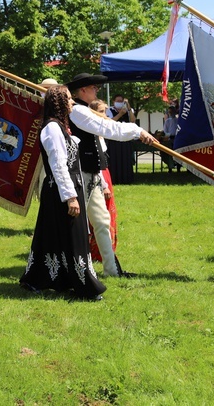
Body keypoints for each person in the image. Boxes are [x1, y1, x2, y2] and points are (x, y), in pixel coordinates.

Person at [20, 85, 106, 301]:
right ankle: (84, 285)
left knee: (50, 237)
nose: (72, 102)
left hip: (67, 189)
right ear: (58, 102)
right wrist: (70, 198)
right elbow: (58, 165)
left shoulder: (62, 128)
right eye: (68, 99)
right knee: (72, 238)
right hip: (61, 192)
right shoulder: (52, 129)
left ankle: (40, 279)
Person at [66, 73, 157, 277]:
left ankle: (112, 270)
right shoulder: (78, 111)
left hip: (92, 174)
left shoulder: (84, 110)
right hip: (80, 176)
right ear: (82, 90)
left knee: (102, 221)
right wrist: (137, 131)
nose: (97, 90)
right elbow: (106, 127)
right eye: (93, 87)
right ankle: (72, 270)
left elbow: (105, 126)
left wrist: (136, 131)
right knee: (75, 225)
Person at [87, 99, 118, 262]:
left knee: (109, 212)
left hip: (105, 172)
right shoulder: (90, 132)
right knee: (100, 213)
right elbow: (96, 161)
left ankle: (107, 249)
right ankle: (96, 251)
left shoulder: (99, 132)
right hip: (99, 175)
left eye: (105, 111)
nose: (104, 115)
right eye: (100, 111)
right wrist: (103, 185)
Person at [105, 94, 137, 184]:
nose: (119, 103)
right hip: (114, 139)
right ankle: (115, 179)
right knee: (115, 159)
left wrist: (129, 108)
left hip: (126, 138)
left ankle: (127, 179)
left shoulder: (128, 110)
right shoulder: (109, 110)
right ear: (113, 102)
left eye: (121, 101)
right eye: (117, 101)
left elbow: (132, 120)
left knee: (126, 159)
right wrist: (120, 114)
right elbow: (110, 122)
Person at [161, 105, 182, 172]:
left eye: (172, 111)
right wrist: (169, 135)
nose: (171, 113)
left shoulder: (179, 120)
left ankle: (178, 167)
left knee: (178, 153)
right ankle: (170, 167)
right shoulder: (167, 121)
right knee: (168, 152)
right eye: (169, 112)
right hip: (170, 140)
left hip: (178, 140)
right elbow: (165, 131)